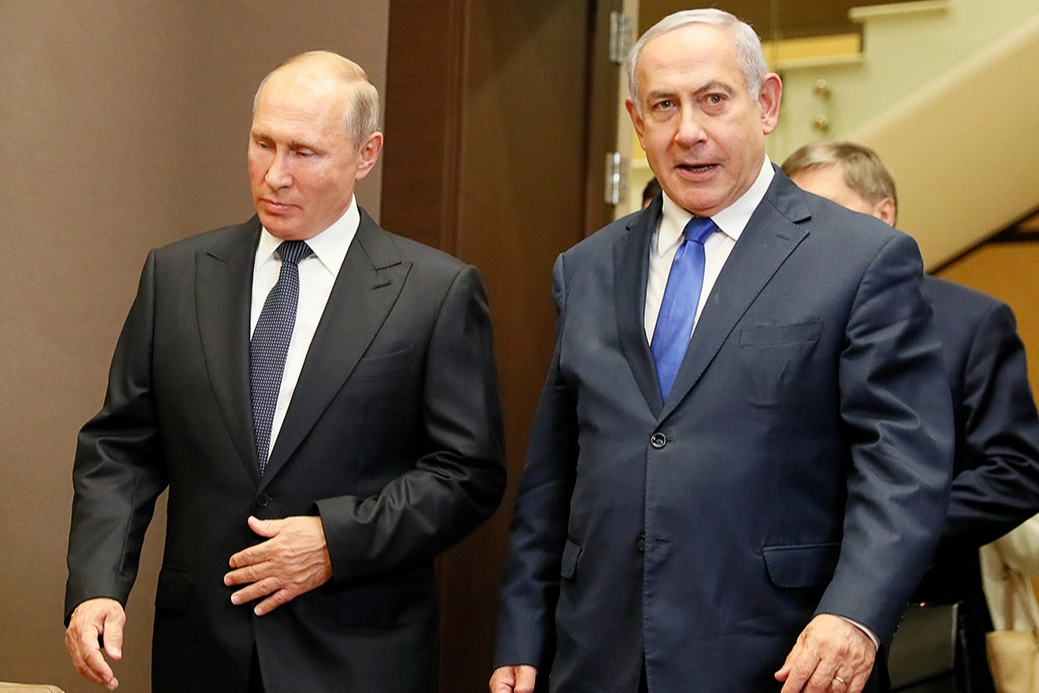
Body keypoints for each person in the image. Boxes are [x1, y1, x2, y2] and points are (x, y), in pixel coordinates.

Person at [491, 9, 954, 693]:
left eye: (713, 99)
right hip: (600, 655)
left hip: (781, 657)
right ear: (637, 121)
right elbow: (554, 478)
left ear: (765, 104)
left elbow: (903, 468)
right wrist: (522, 634)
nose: (688, 131)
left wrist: (854, 614)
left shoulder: (861, 259)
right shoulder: (584, 267)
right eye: (663, 106)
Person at [64, 51, 506, 693]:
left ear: (366, 155)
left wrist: (336, 541)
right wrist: (97, 586)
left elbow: (467, 474)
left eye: (304, 152)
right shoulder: (178, 276)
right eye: (263, 144)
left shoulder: (434, 293)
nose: (275, 175)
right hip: (202, 653)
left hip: (355, 658)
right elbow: (121, 448)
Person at [782, 139, 1039, 693]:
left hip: (924, 619)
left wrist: (889, 534)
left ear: (884, 214)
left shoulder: (971, 321)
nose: (808, 233)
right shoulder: (775, 324)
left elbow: (1016, 471)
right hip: (785, 617)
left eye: (826, 212)